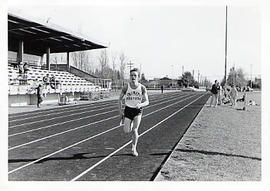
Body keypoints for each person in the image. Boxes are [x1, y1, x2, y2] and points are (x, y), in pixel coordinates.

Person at [118, 68, 149, 157]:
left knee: (135, 130)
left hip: (137, 111)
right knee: (127, 131)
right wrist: (120, 112)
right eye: (131, 75)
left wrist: (141, 104)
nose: (133, 77)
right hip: (128, 110)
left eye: (135, 75)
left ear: (138, 77)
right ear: (129, 77)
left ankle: (134, 148)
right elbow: (119, 99)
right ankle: (130, 125)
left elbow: (147, 101)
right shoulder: (126, 87)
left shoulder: (142, 87)